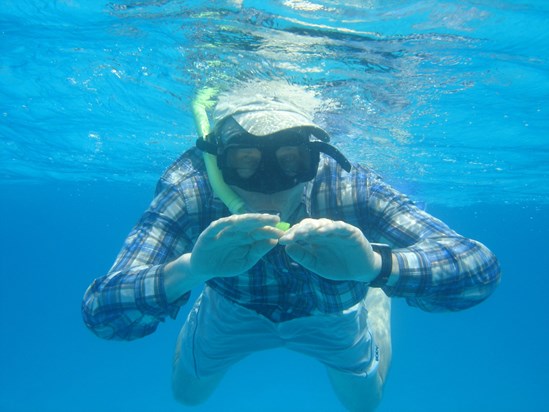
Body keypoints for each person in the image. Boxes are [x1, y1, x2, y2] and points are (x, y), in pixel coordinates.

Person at [82, 82, 500, 412]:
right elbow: (102, 312)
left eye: (290, 162)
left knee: (364, 404)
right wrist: (193, 270)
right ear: (218, 160)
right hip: (234, 307)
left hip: (332, 309)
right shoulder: (192, 188)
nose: (267, 183)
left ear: (313, 159)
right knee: (187, 397)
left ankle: (374, 299)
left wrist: (376, 266)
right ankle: (203, 302)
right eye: (243, 161)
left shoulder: (348, 184)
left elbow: (477, 270)